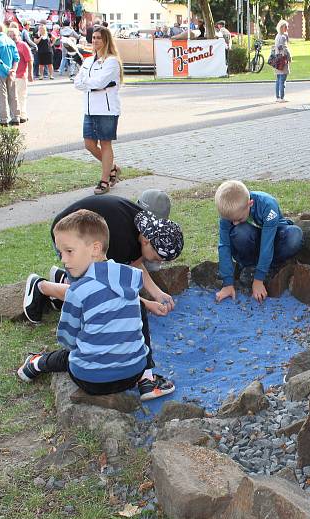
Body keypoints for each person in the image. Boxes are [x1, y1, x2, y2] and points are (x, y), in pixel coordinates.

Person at [22, 197, 184, 400]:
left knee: (69, 353)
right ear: (145, 241)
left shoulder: (147, 231)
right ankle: (42, 286)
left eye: (68, 253)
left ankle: (35, 364)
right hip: (132, 374)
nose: (63, 259)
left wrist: (156, 295)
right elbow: (117, 289)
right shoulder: (126, 267)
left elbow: (68, 339)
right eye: (158, 258)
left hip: (89, 379)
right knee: (92, 294)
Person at [214, 180, 304, 304]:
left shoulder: (267, 204)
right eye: (231, 220)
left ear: (250, 204)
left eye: (238, 219)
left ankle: (271, 267)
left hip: (273, 238)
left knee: (295, 236)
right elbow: (224, 246)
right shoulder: (230, 214)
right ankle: (249, 266)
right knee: (239, 231)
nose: (234, 223)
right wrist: (227, 283)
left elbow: (267, 244)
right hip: (252, 242)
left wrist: (258, 279)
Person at [73, 26, 123, 195]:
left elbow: (99, 83)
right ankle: (113, 168)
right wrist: (92, 84)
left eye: (99, 38)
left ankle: (105, 180)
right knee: (89, 144)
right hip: (89, 108)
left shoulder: (112, 62)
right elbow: (77, 82)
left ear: (106, 40)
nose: (95, 41)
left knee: (105, 143)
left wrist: (91, 84)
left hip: (106, 110)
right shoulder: (88, 61)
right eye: (93, 37)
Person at [0, 22, 20, 126]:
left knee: (1, 96)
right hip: (11, 72)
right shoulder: (11, 41)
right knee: (13, 95)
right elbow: (16, 58)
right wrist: (13, 70)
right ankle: (16, 117)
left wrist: (7, 69)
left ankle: (3, 119)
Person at [8, 27, 32, 123]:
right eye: (10, 35)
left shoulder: (23, 45)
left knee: (21, 96)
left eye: (14, 35)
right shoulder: (8, 45)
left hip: (21, 75)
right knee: (13, 98)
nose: (13, 37)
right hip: (11, 75)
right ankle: (16, 115)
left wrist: (30, 73)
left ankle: (23, 115)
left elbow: (29, 60)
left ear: (18, 35)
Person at [273, 20, 291, 103]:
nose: (287, 28)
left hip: (277, 59)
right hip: (282, 60)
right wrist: (289, 58)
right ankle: (282, 97)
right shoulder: (283, 37)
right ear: (281, 27)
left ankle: (277, 97)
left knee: (278, 79)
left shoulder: (277, 36)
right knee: (282, 79)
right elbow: (285, 49)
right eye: (285, 27)